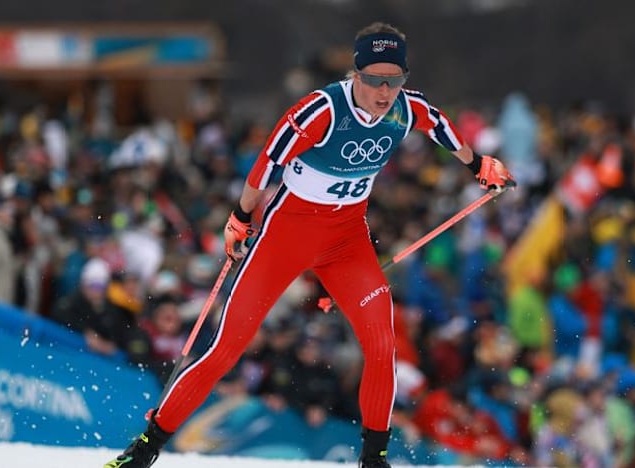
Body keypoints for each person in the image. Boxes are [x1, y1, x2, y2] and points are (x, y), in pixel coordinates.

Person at [104, 21, 514, 468]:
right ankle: (144, 449)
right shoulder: (322, 110)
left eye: (394, 80)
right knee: (226, 348)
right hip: (285, 238)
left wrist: (478, 165)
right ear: (356, 75)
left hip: (346, 242)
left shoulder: (404, 108)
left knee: (382, 345)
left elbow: (438, 123)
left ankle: (374, 460)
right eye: (375, 80)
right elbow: (267, 163)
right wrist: (240, 217)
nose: (385, 92)